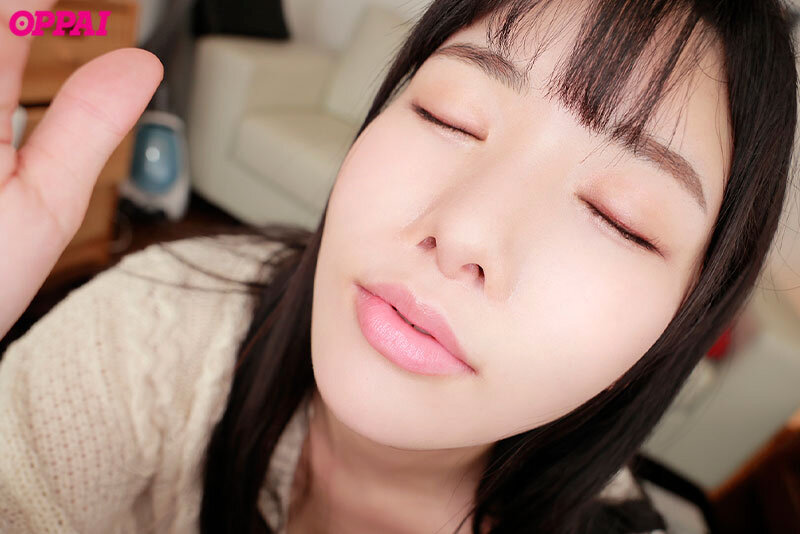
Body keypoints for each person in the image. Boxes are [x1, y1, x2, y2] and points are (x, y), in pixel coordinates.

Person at [0, 0, 796, 532]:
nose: (465, 231)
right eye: (451, 116)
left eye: (618, 217)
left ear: (678, 326)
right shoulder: (159, 320)